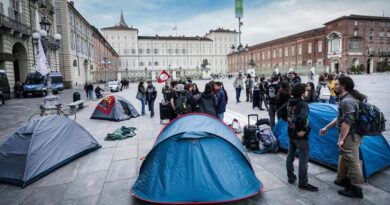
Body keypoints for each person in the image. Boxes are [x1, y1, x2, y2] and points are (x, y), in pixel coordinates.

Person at [320, 76, 365, 198]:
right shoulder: (345, 99)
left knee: (352, 161)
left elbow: (347, 122)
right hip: (352, 135)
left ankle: (357, 189)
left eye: (337, 84)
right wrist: (326, 127)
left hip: (350, 136)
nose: (334, 86)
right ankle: (346, 181)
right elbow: (340, 117)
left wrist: (341, 139)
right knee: (349, 159)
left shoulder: (347, 101)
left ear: (343, 86)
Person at [286, 83, 318, 192]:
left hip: (291, 132)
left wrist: (291, 123)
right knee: (303, 159)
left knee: (290, 155)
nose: (306, 91)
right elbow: (303, 118)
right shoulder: (303, 104)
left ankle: (291, 176)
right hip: (299, 135)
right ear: (302, 92)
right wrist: (304, 130)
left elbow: (282, 112)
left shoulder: (290, 102)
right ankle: (303, 182)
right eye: (305, 90)